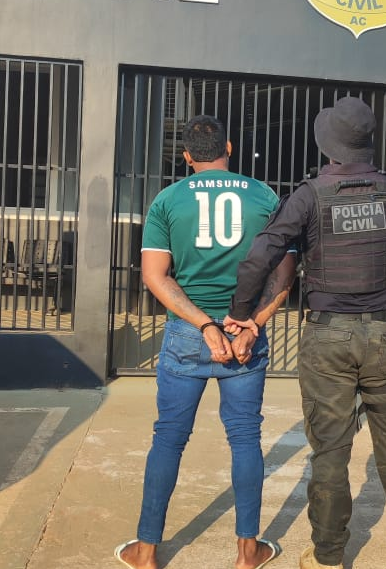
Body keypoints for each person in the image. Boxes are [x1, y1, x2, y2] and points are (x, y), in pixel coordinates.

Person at [224, 96, 386, 569]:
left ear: (328, 145)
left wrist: (241, 313)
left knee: (330, 450)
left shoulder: (309, 196)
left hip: (325, 340)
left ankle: (326, 556)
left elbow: (261, 254)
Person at [115, 115, 295, 569]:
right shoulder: (265, 196)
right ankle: (248, 552)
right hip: (245, 332)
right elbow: (284, 274)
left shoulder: (167, 200)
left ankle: (146, 551)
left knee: (169, 439)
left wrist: (204, 325)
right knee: (245, 438)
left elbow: (156, 276)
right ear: (229, 148)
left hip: (188, 334)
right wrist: (252, 323)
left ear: (186, 156)